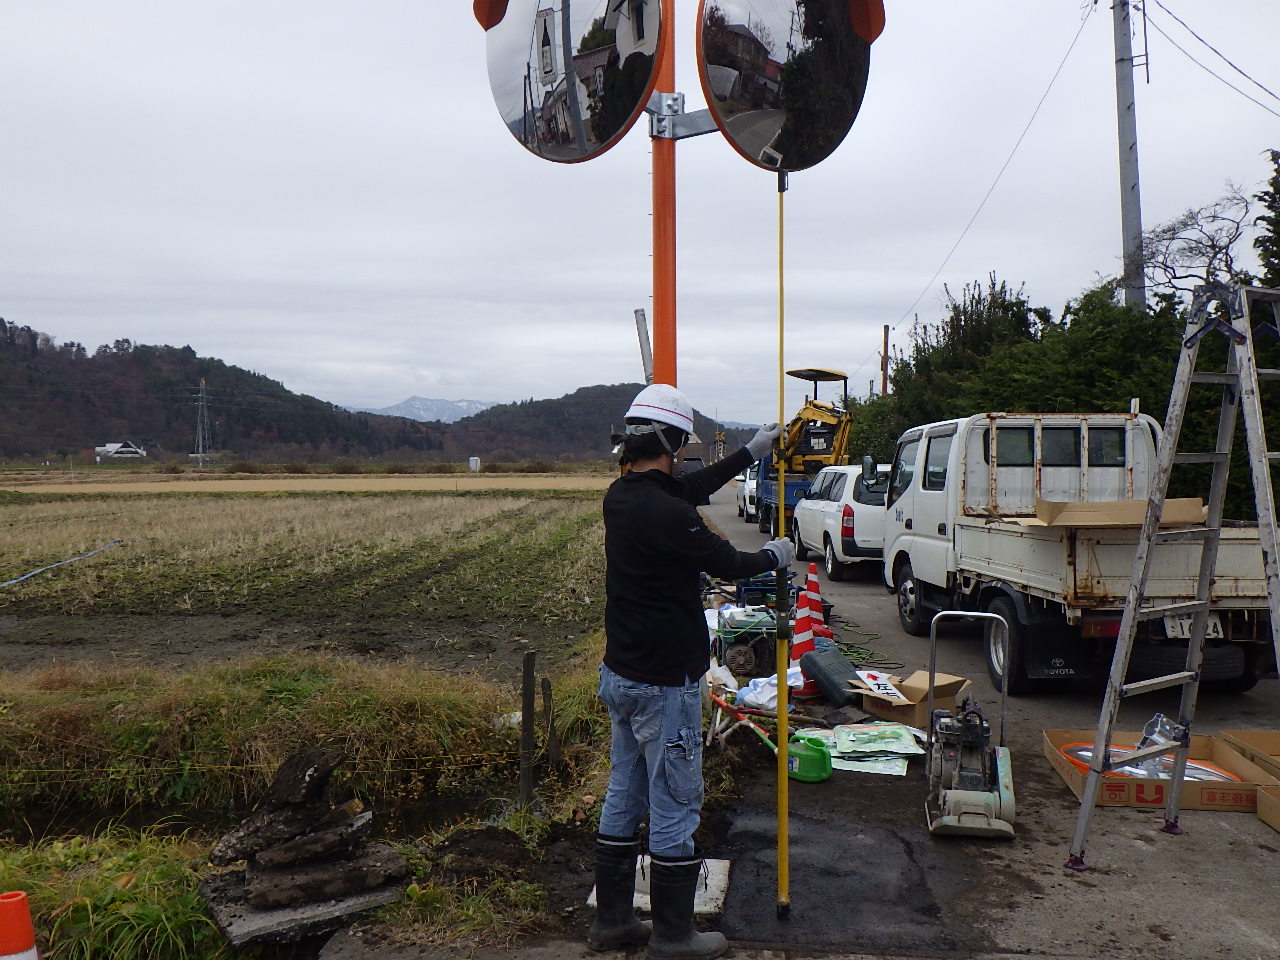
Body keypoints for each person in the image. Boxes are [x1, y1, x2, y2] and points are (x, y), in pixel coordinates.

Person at [589, 383, 793, 959]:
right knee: (676, 798)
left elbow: (687, 489)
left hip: (622, 675)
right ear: (671, 442)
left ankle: (612, 924)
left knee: (624, 791)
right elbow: (727, 561)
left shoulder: (622, 495)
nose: (683, 457)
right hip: (663, 685)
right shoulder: (665, 511)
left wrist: (751, 452)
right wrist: (774, 555)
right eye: (681, 446)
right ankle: (674, 937)